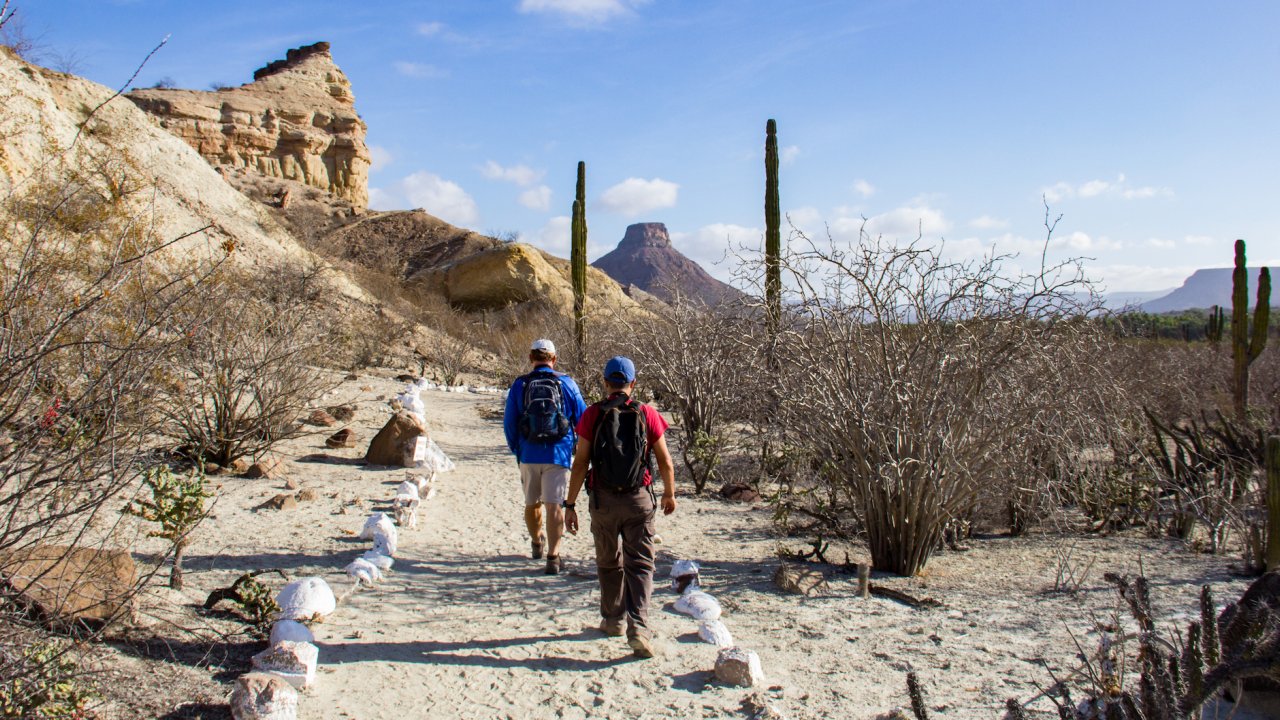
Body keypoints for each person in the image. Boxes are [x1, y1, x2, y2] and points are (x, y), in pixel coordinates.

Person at [564, 355, 677, 658]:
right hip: (638, 498)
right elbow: (665, 460)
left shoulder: (591, 415)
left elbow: (580, 464)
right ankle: (638, 626)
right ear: (632, 383)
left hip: (602, 500)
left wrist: (570, 503)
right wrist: (669, 493)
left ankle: (612, 620)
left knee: (608, 561)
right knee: (640, 563)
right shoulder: (647, 414)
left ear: (605, 383)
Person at [503, 339, 587, 575]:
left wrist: (516, 449)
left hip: (528, 453)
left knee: (532, 503)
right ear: (554, 359)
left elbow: (509, 422)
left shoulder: (520, 385)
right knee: (554, 506)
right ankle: (553, 556)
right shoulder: (567, 384)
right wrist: (581, 448)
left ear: (531, 359)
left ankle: (537, 542)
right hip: (558, 453)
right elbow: (583, 419)